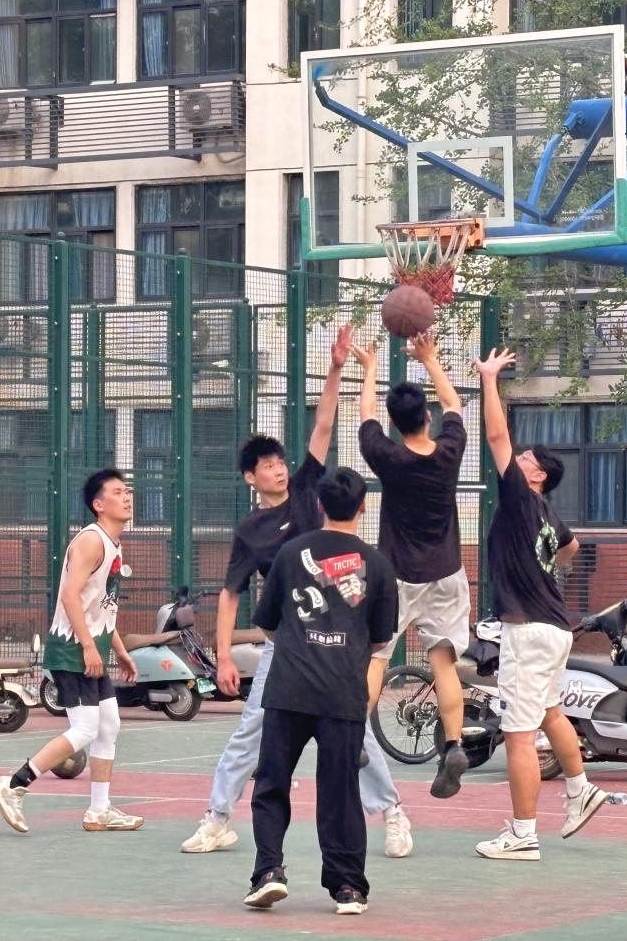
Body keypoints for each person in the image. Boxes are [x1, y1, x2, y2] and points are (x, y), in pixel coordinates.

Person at [181, 324, 413, 859]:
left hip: (337, 638)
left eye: (280, 462)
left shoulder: (309, 491)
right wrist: (223, 655)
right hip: (286, 645)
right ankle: (217, 818)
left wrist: (335, 368)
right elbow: (231, 594)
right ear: (250, 478)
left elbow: (324, 423)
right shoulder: (250, 531)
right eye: (267, 466)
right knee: (251, 729)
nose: (279, 470)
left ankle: (393, 813)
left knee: (355, 732)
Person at [472, 348, 608, 861]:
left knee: (518, 734)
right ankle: (581, 788)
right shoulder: (548, 514)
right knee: (551, 713)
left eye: (526, 459)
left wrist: (489, 379)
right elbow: (572, 546)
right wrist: (552, 561)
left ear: (537, 476)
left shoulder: (520, 497)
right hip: (554, 628)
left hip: (528, 632)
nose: (518, 459)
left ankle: (523, 833)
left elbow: (495, 436)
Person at [244, 467, 397, 916]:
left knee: (272, 783)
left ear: (319, 505)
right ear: (364, 506)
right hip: (342, 693)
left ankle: (268, 872)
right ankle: (348, 887)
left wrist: (301, 643)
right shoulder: (378, 565)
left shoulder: (291, 553)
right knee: (340, 792)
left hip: (289, 688)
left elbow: (267, 624)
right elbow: (380, 640)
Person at [350, 332, 471, 798]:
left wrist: (369, 369)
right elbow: (454, 404)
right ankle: (453, 745)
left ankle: (354, 737)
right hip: (446, 572)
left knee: (378, 656)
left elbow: (365, 417)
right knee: (443, 664)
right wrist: (429, 358)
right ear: (426, 418)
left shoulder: (387, 457)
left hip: (397, 575)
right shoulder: (449, 451)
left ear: (394, 424)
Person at [0, 469, 143, 834]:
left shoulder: (113, 543)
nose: (127, 496)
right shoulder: (91, 541)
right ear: (98, 504)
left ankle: (99, 811)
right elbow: (70, 596)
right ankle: (13, 784)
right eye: (118, 492)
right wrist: (89, 646)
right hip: (73, 649)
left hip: (92, 647)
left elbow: (101, 607)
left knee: (109, 725)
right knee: (86, 728)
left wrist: (119, 650)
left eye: (128, 491)